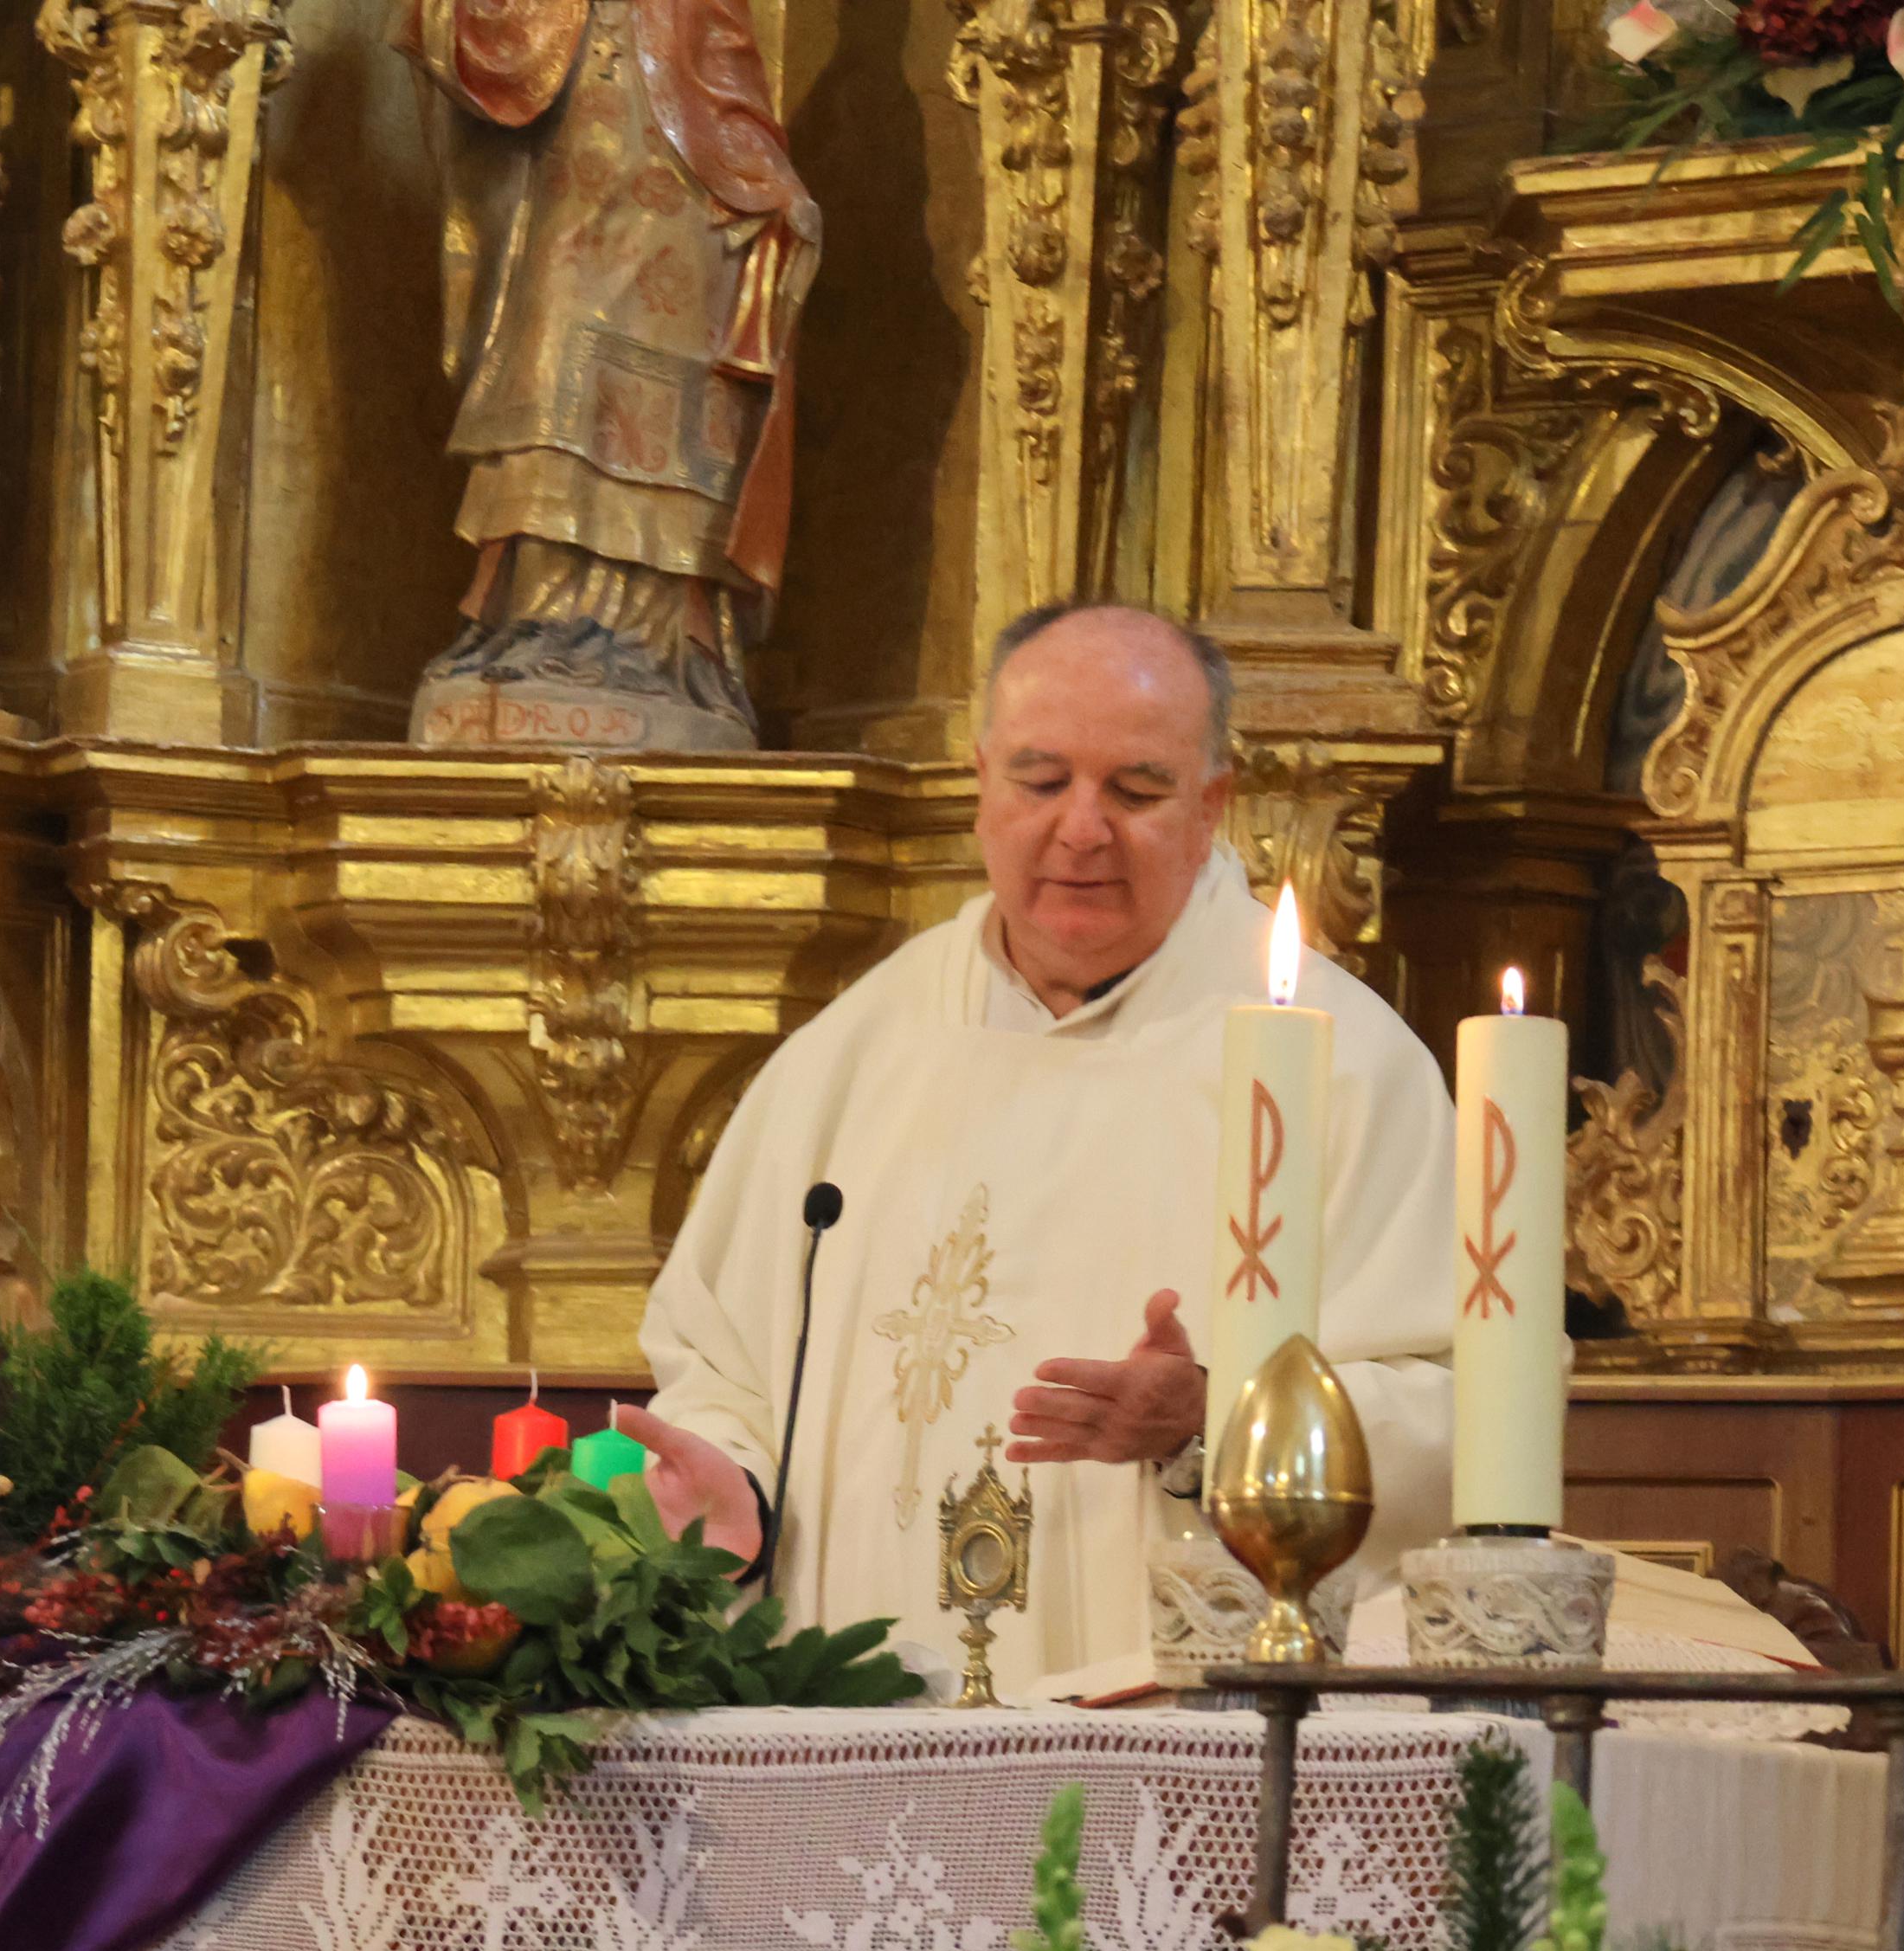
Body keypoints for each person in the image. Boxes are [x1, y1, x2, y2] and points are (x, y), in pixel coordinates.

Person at [627, 603, 1458, 1698]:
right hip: (851, 1722)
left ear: (1212, 806)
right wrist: (730, 1481)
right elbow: (720, 1358)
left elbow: (1455, 1409)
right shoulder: (854, 1050)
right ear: (980, 782)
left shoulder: (1342, 1066)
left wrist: (1214, 1417)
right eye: (1039, 779)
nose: (1080, 829)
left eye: (1135, 789)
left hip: (1168, 1728)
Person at [394, 0, 818, 750]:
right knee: (549, 370)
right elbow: (476, 41)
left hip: (688, 205)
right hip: (570, 185)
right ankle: (538, 622)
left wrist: (768, 180)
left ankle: (667, 650)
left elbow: (724, 68)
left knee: (683, 404)